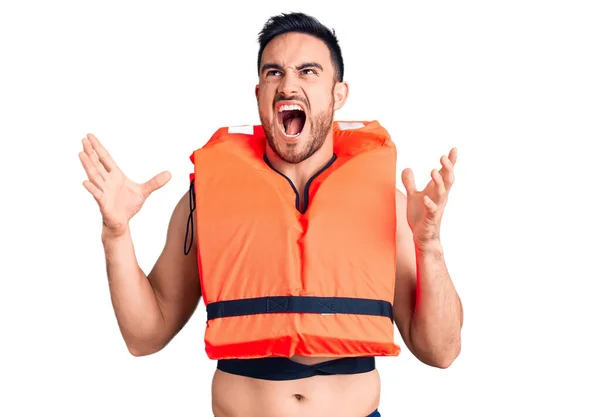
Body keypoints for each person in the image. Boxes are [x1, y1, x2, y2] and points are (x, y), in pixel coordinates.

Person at [79, 12, 463, 417]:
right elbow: (144, 336)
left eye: (308, 71)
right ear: (259, 91)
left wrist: (430, 246)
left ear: (338, 94)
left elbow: (442, 352)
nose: (288, 84)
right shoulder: (205, 200)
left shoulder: (391, 207)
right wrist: (116, 234)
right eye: (274, 72)